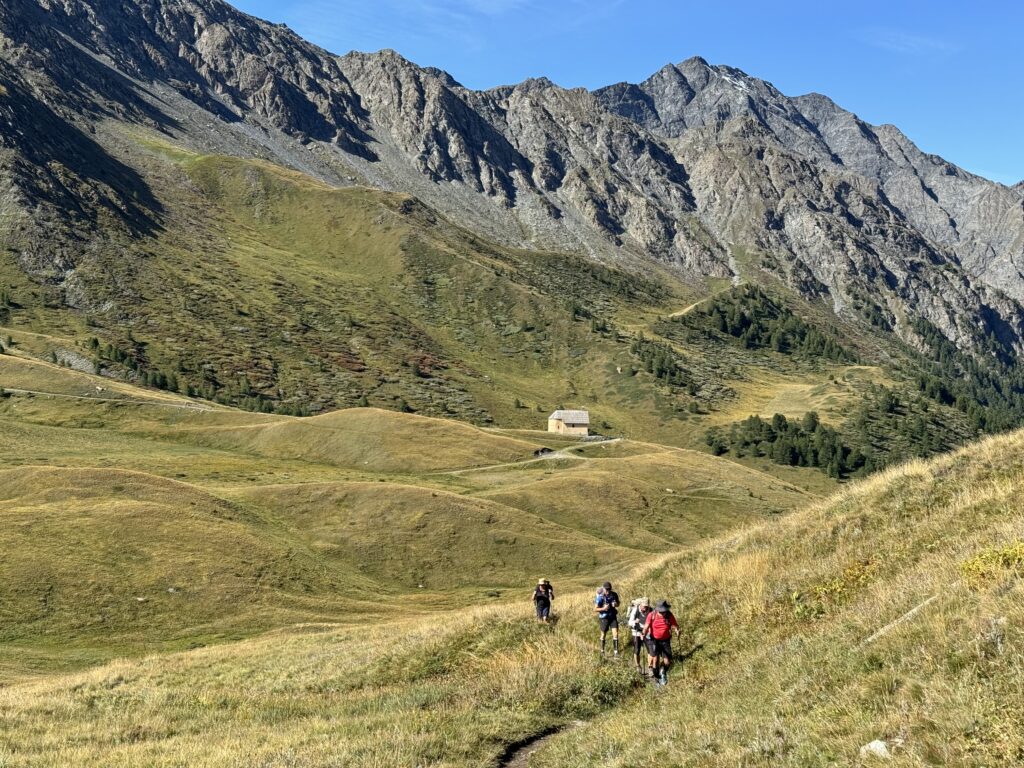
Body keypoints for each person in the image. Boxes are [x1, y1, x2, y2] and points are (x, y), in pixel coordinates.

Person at [643, 599, 681, 686]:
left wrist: (677, 630)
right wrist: (643, 633)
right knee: (655, 660)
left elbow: (675, 625)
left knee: (667, 661)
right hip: (654, 640)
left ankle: (662, 671)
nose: (664, 613)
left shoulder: (669, 615)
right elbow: (646, 626)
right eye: (662, 611)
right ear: (658, 610)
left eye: (664, 611)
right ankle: (657, 679)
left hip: (665, 640)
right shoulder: (652, 615)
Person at [626, 596, 655, 675]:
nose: (644, 608)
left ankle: (650, 668)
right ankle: (638, 666)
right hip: (636, 631)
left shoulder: (651, 610)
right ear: (640, 605)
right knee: (637, 650)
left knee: (650, 650)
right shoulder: (635, 610)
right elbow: (629, 622)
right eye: (643, 606)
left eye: (646, 606)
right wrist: (634, 622)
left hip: (647, 632)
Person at [594, 581, 620, 657]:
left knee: (615, 634)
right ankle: (602, 651)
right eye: (606, 589)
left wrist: (616, 604)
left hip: (613, 616)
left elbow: (618, 603)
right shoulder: (600, 597)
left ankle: (616, 652)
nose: (608, 591)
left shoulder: (614, 594)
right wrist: (603, 608)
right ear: (603, 589)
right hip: (604, 618)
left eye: (609, 589)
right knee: (603, 634)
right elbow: (595, 609)